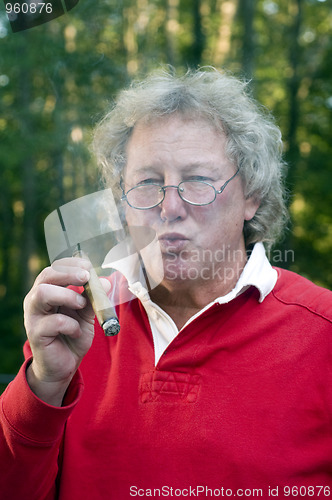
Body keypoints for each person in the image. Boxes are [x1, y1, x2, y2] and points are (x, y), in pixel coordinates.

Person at [1, 67, 331, 500]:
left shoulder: (321, 334)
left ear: (251, 195)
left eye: (198, 180)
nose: (169, 207)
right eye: (147, 183)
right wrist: (44, 385)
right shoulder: (72, 324)